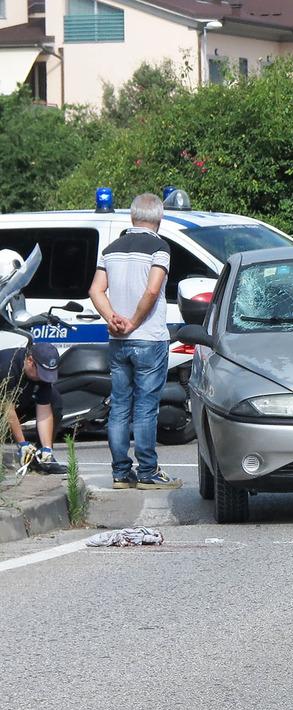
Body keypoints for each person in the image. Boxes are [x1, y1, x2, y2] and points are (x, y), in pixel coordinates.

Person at [88, 193, 181, 490]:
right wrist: (134, 322)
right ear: (160, 218)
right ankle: (148, 472)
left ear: (132, 217)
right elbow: (153, 290)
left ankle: (120, 473)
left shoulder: (110, 249)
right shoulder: (160, 247)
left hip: (118, 341)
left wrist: (113, 318)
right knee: (145, 408)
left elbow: (95, 290)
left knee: (119, 407)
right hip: (149, 338)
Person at [0, 342, 65, 475]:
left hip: (20, 403)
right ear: (30, 361)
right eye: (41, 373)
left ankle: (42, 460)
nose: (43, 378)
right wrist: (22, 444)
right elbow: (8, 409)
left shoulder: (42, 373)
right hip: (4, 407)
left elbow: (44, 411)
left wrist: (47, 448)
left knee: (55, 402)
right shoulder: (8, 367)